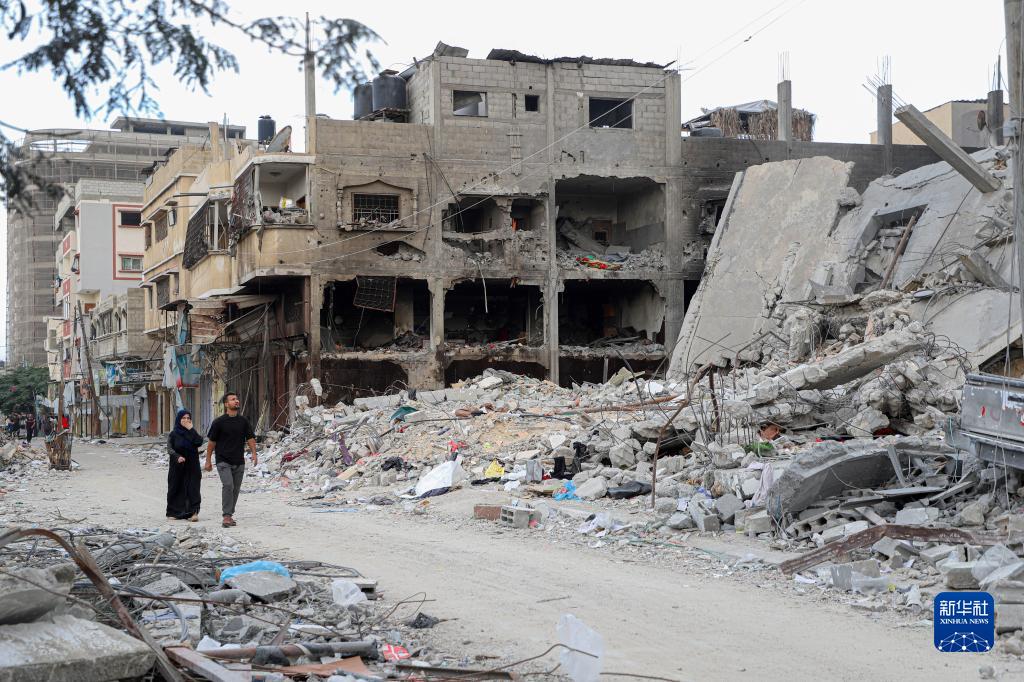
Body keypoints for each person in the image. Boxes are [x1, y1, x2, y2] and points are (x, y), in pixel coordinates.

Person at [204, 393, 257, 528]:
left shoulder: (243, 421)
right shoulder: (219, 422)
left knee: (236, 489)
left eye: (237, 399)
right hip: (223, 460)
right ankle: (226, 515)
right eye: (233, 399)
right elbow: (211, 442)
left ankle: (230, 514)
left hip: (239, 460)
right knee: (228, 485)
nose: (236, 401)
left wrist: (254, 454)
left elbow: (250, 438)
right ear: (226, 404)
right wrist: (208, 460)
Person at [167, 409, 203, 521]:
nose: (186, 420)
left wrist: (191, 429)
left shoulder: (192, 433)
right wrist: (177, 457)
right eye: (183, 418)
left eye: (188, 418)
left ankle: (193, 513)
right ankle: (174, 512)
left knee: (193, 488)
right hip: (177, 466)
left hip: (192, 465)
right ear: (179, 419)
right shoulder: (173, 434)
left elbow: (199, 442)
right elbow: (169, 449)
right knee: (176, 487)